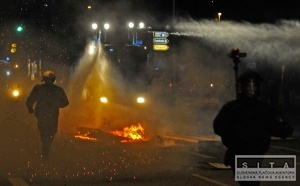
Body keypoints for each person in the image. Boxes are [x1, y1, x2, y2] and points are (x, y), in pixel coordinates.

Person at [213, 70, 293, 186]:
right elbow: (219, 126)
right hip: (240, 154)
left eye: (254, 85)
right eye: (248, 85)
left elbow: (285, 130)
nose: (251, 89)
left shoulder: (263, 109)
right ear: (242, 87)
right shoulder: (233, 108)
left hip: (253, 154)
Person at [26, 70, 69, 161]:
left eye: (50, 79)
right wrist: (30, 108)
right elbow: (30, 100)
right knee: (46, 132)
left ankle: (46, 149)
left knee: (49, 133)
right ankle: (46, 150)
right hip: (46, 115)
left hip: (48, 115)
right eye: (48, 79)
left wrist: (31, 108)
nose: (49, 81)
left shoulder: (40, 88)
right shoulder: (56, 89)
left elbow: (65, 102)